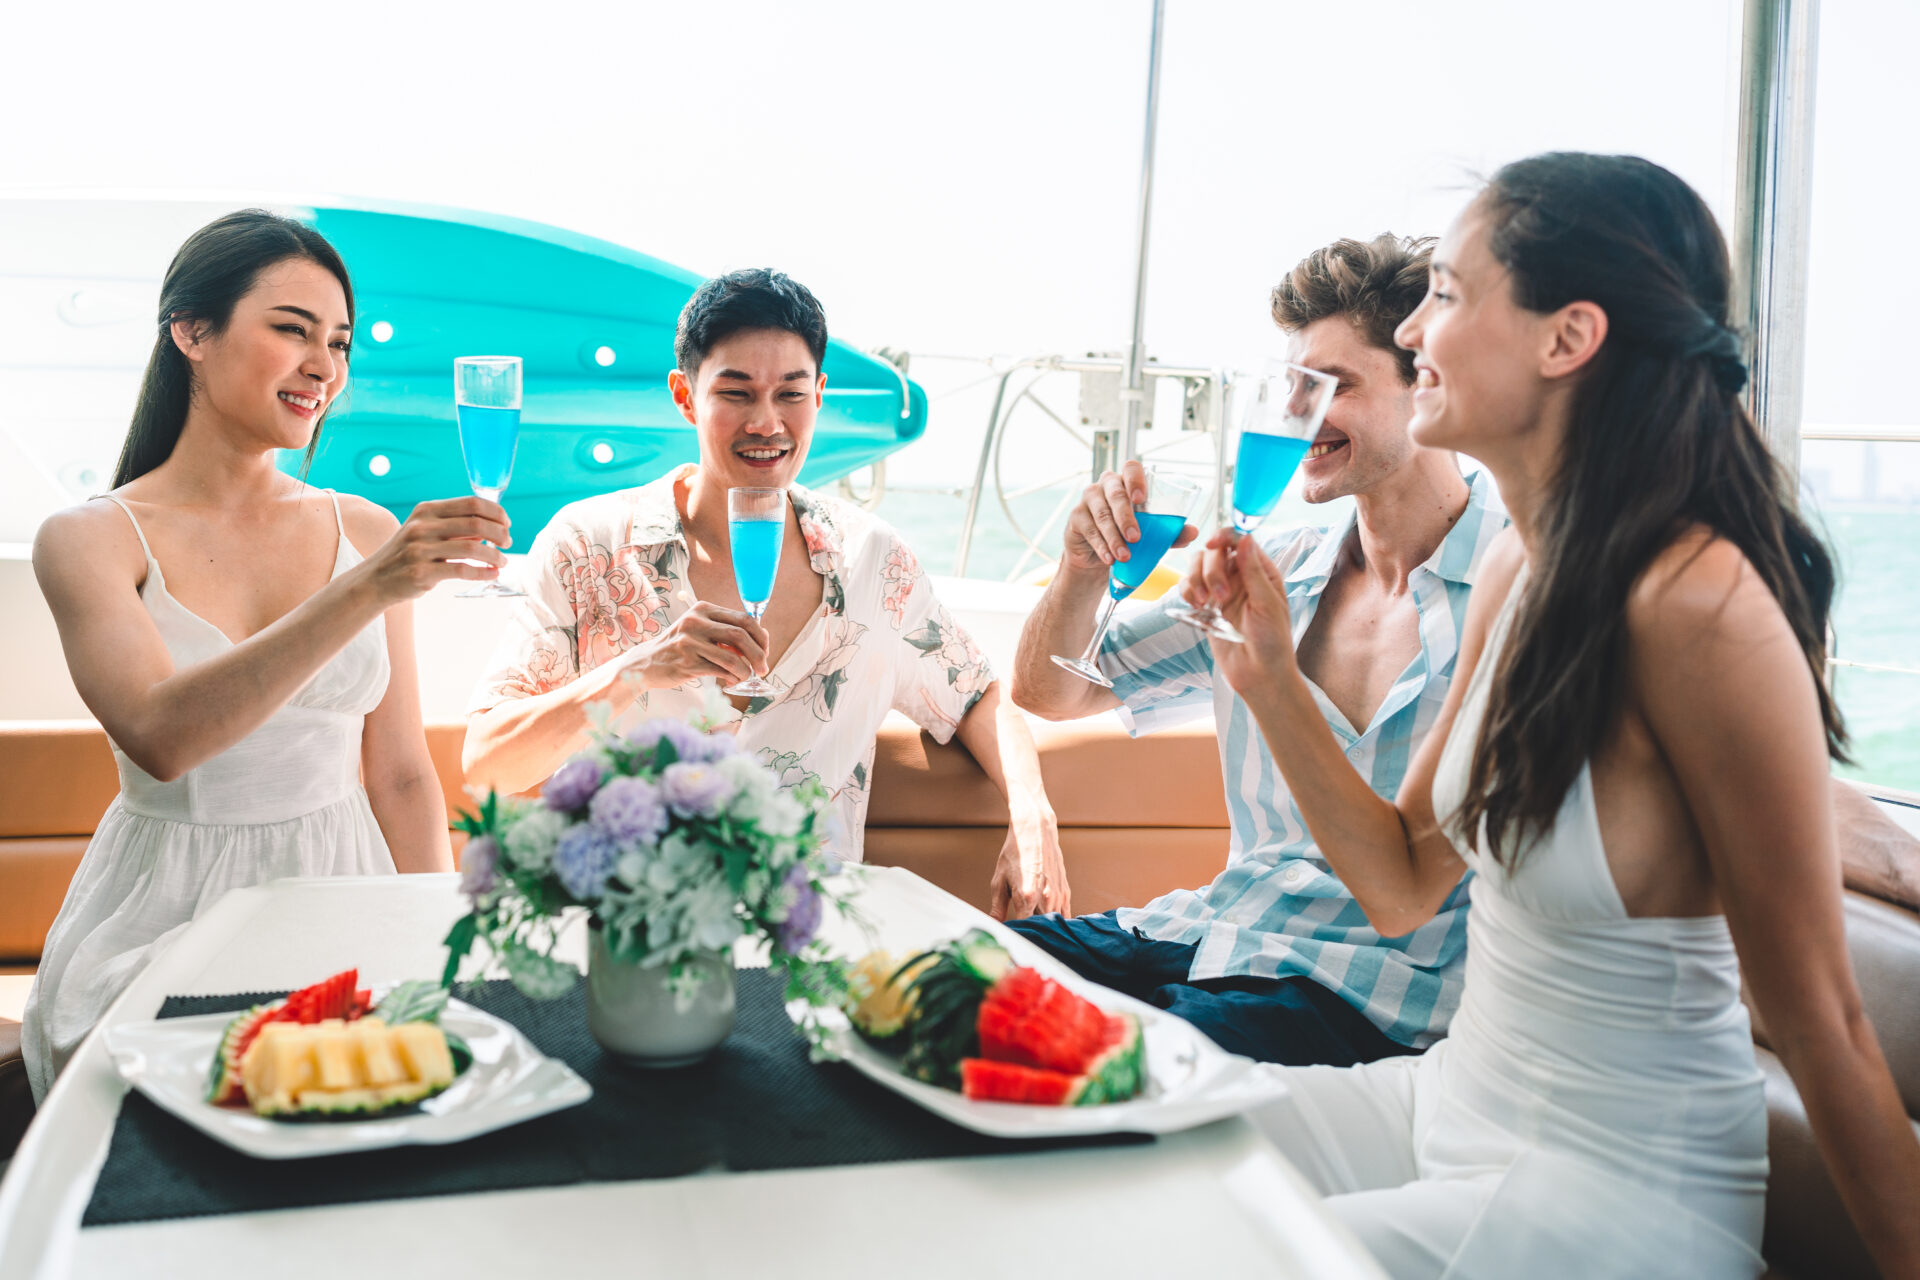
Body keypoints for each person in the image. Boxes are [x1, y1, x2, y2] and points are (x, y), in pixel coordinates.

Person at [1197, 153, 1920, 1278]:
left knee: (1190, 1252)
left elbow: (1826, 1020)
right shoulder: (1516, 567)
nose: (1418, 337)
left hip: (1614, 1195)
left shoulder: (1702, 608)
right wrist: (1271, 680)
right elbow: (1397, 880)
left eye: (1444, 293)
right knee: (1121, 1143)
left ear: (1567, 337)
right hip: (1443, 1107)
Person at [23, 210, 509, 1100]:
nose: (323, 365)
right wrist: (367, 588)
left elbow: (399, 776)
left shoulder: (362, 529)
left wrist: (443, 943)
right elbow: (162, 736)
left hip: (347, 897)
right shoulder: (90, 540)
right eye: (292, 330)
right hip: (167, 922)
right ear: (192, 331)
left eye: (339, 342)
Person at [1009, 234, 1506, 1065]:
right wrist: (1079, 571)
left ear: (1428, 384)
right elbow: (1052, 693)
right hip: (1203, 937)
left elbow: (1414, 894)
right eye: (1292, 388)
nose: (1297, 416)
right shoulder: (1275, 575)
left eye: (1333, 387)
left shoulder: (1517, 591)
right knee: (950, 982)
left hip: (1362, 992)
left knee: (1122, 1064)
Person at [464, 268, 1066, 917]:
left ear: (819, 397)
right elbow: (489, 764)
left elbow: (977, 694)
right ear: (685, 396)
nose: (766, 422)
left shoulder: (872, 560)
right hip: (620, 939)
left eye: (790, 394)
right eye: (737, 392)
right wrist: (634, 671)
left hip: (810, 950)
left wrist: (1032, 819)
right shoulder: (588, 545)